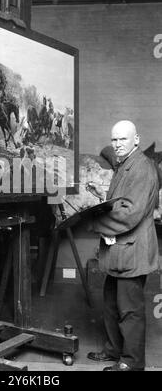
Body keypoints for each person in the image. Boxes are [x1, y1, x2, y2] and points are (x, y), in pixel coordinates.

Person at [86, 120, 160, 371]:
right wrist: (102, 194)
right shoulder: (126, 165)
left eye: (122, 140)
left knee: (130, 311)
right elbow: (123, 200)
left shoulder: (142, 168)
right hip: (121, 250)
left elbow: (130, 213)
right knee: (110, 303)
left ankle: (132, 363)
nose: (116, 145)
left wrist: (95, 220)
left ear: (136, 140)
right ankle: (115, 351)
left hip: (132, 250)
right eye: (114, 139)